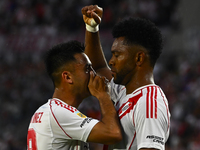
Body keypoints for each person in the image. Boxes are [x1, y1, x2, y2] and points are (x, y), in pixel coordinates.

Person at [82, 5, 170, 150]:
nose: (111, 61)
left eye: (117, 55)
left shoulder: (148, 104)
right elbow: (97, 67)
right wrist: (92, 28)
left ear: (139, 58)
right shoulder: (123, 91)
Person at [27, 40, 122, 150]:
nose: (94, 74)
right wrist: (103, 95)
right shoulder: (58, 113)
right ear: (67, 77)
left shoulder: (50, 111)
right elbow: (113, 134)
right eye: (87, 69)